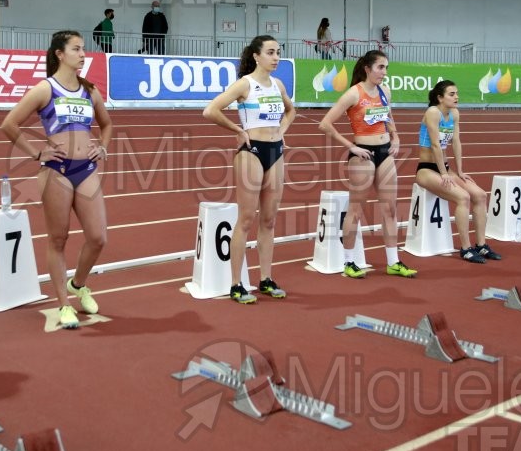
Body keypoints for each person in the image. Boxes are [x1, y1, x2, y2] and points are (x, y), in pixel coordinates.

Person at [1, 30, 113, 328]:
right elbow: (9, 124)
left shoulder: (90, 90)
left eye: (84, 48)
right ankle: (64, 304)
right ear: (60, 54)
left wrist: (102, 147)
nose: (83, 53)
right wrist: (36, 153)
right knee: (58, 238)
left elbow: (107, 124)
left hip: (86, 169)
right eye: (76, 49)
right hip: (56, 171)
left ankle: (78, 283)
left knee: (98, 236)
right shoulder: (44, 89)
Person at [203, 35, 296, 304]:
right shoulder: (245, 84)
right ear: (257, 56)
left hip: (276, 152)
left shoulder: (278, 84)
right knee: (246, 219)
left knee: (269, 220)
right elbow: (211, 110)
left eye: (278, 52)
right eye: (270, 52)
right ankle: (236, 284)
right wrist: (237, 129)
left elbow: (291, 111)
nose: (276, 57)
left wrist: (282, 130)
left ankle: (265, 279)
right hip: (252, 152)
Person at [318, 50, 417, 279]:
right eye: (380, 67)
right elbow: (325, 124)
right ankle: (349, 262)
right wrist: (351, 146)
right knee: (355, 210)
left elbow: (388, 115)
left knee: (390, 209)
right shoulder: (353, 94)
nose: (384, 72)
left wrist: (396, 136)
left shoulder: (385, 91)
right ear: (367, 68)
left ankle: (393, 262)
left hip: (385, 153)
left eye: (386, 68)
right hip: (363, 155)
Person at [414, 80, 502, 263]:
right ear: (440, 97)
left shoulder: (454, 113)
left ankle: (481, 245)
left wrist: (459, 171)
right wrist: (444, 174)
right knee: (463, 197)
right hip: (427, 170)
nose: (457, 97)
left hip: (445, 168)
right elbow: (436, 145)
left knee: (479, 194)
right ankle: (466, 248)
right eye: (451, 94)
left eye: (457, 93)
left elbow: (456, 142)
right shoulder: (432, 112)